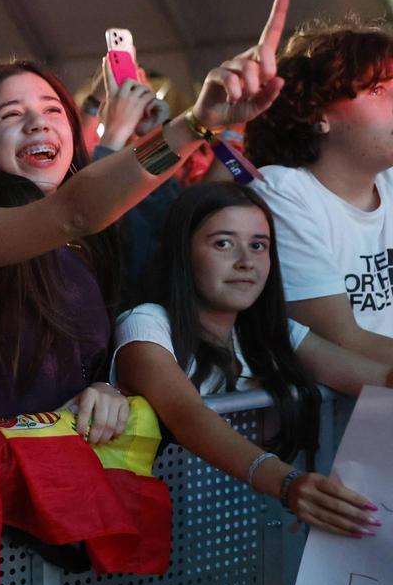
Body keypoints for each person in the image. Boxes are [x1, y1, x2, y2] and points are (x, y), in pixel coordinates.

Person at [0, 0, 293, 443]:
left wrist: (105, 388)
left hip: (70, 489)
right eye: (11, 115)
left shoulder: (81, 244)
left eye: (52, 110)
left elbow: (79, 369)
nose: (38, 123)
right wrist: (196, 123)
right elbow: (74, 210)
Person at [113, 182, 383, 537]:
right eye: (223, 243)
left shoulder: (271, 333)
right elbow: (188, 415)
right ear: (182, 252)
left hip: (243, 547)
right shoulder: (146, 322)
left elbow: (377, 376)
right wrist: (288, 483)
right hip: (156, 548)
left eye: (259, 245)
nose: (245, 261)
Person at [245, 20, 393, 364]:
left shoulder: (388, 180)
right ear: (318, 114)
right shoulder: (281, 191)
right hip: (349, 409)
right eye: (377, 90)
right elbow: (342, 340)